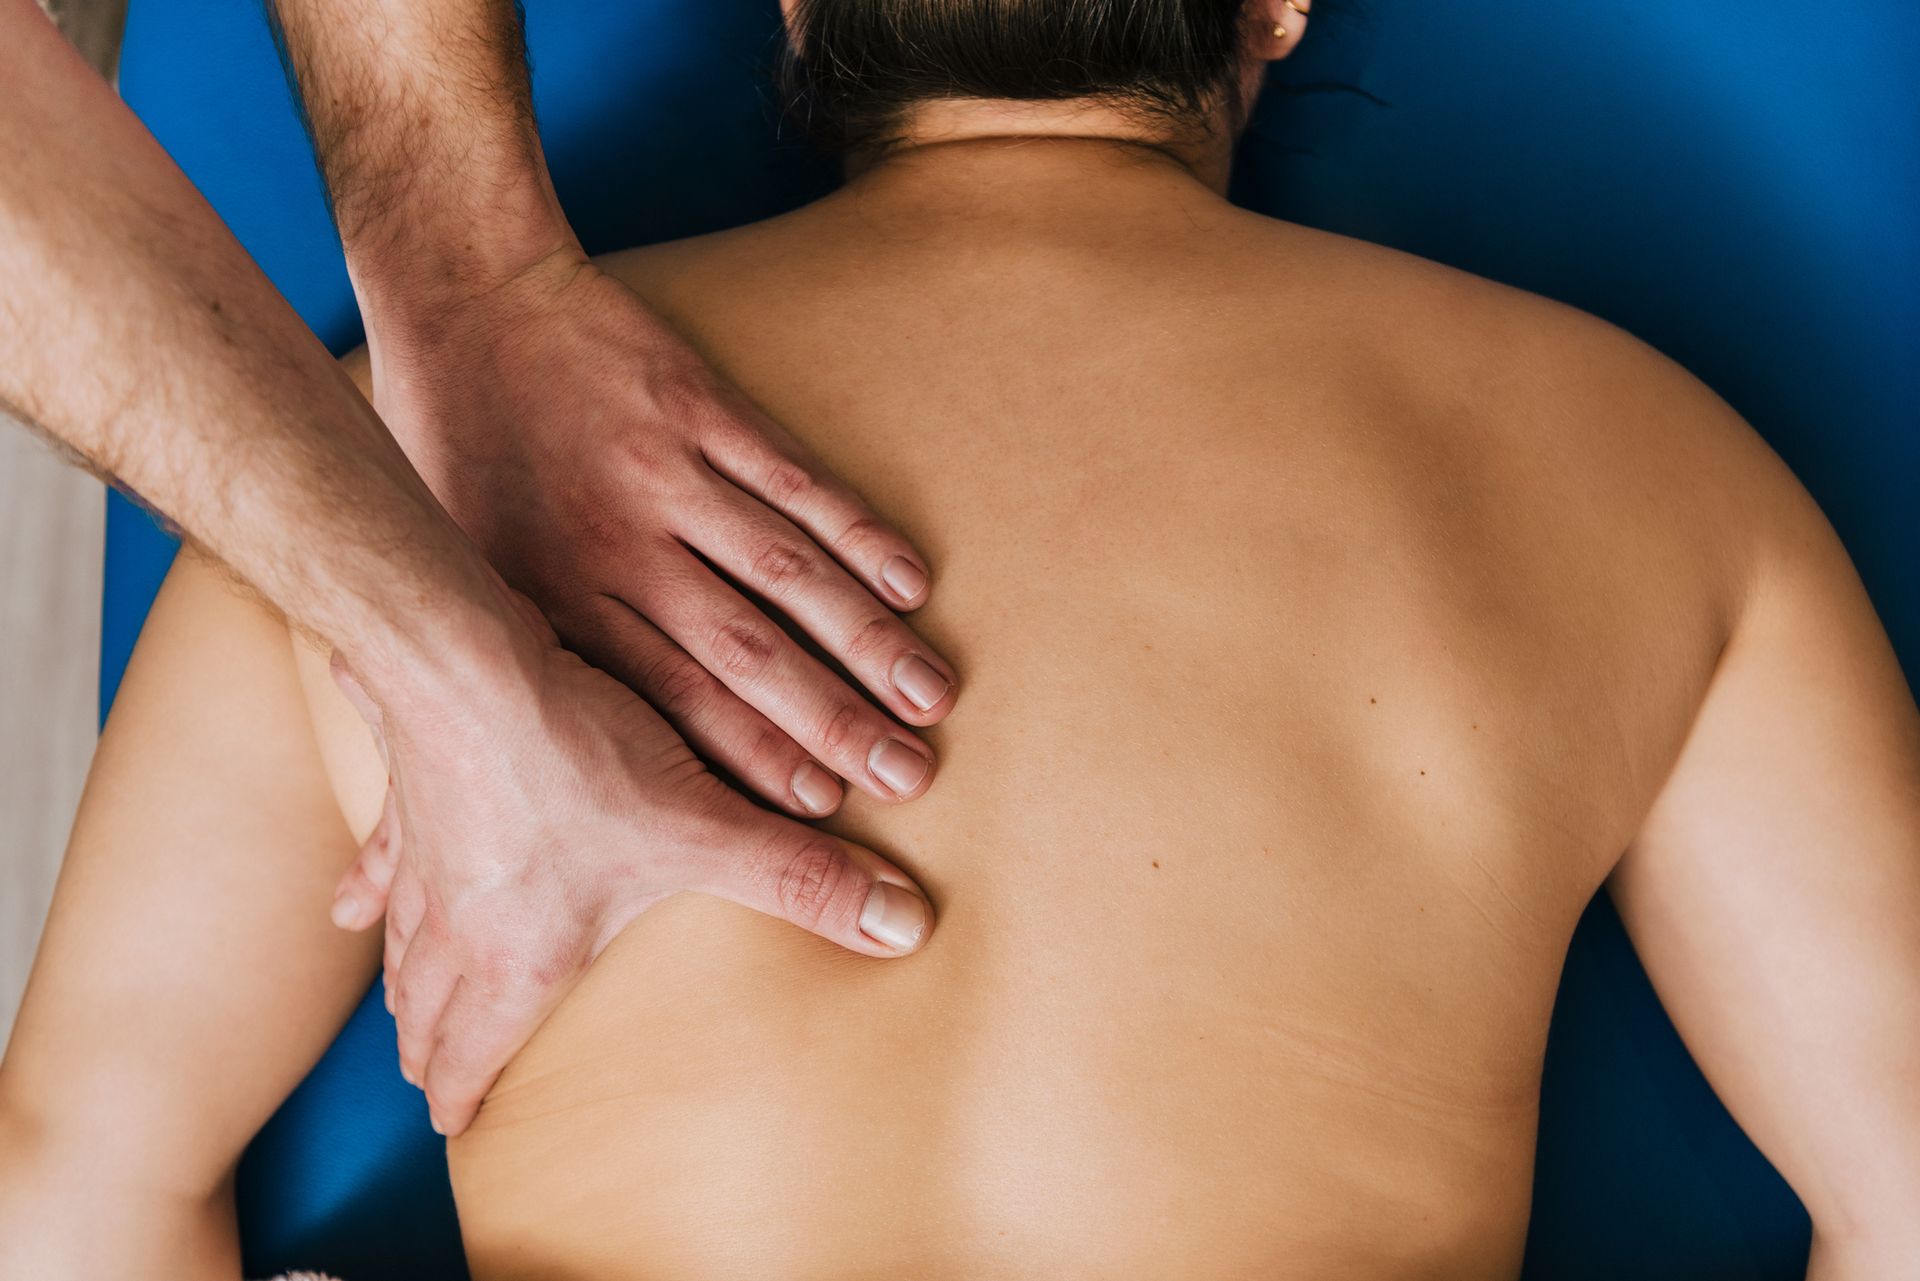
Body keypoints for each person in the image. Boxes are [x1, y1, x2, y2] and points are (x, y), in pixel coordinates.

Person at [7, 0, 1920, 1276]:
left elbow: (78, 1177)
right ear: (1271, 7)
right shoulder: (1644, 462)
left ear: (797, 11)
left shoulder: (360, 487)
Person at [0, 0, 957, 1140]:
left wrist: (468, 293)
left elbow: (84, 1155)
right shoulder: (369, 477)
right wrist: (464, 688)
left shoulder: (371, 470)